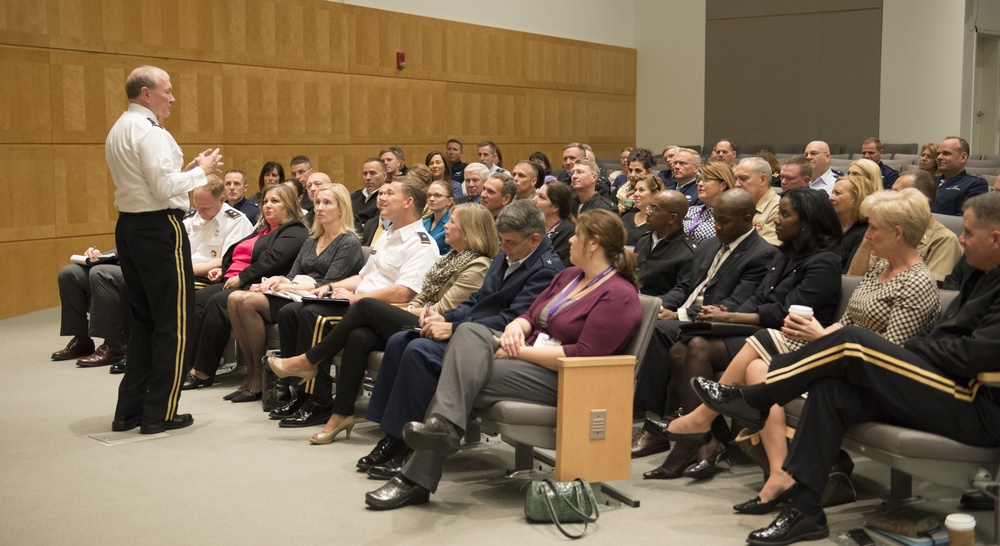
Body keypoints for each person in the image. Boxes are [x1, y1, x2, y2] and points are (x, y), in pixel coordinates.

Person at [691, 191, 1000, 546]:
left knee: (852, 340)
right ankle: (806, 511)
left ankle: (757, 396)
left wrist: (924, 348)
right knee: (831, 390)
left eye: (969, 233)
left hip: (978, 404)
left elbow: (977, 355)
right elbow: (949, 340)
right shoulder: (981, 273)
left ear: (995, 238)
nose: (960, 238)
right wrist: (929, 348)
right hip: (944, 384)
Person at [654, 188, 941, 516]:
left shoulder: (916, 283)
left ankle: (702, 417)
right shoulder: (879, 270)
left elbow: (893, 354)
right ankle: (778, 474)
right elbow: (846, 322)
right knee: (756, 370)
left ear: (898, 233)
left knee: (762, 340)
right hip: (839, 357)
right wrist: (825, 337)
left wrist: (821, 337)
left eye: (873, 228)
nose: (867, 235)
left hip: (872, 378)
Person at [364, 209, 642, 510]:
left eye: (577, 235)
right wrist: (515, 328)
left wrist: (518, 350)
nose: (570, 240)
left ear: (593, 243)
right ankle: (440, 430)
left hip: (567, 378)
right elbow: (530, 315)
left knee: (458, 376)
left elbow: (584, 354)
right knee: (469, 332)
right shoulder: (570, 276)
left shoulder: (618, 294)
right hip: (530, 360)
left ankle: (417, 474)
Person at [646, 188, 843, 481]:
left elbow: (788, 312)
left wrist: (731, 316)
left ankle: (698, 436)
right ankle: (706, 439)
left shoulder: (823, 262)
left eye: (785, 214)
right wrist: (730, 315)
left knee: (697, 345)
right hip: (763, 331)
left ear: (807, 222)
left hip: (793, 340)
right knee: (679, 348)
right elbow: (760, 298)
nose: (776, 220)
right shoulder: (783, 254)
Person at [357, 200, 563, 477]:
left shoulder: (547, 270)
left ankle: (407, 446)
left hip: (495, 340)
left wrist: (454, 329)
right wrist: (447, 318)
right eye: (501, 240)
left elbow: (510, 319)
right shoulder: (506, 256)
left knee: (420, 352)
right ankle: (392, 435)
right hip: (470, 328)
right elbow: (478, 301)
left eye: (510, 242)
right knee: (399, 342)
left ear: (534, 239)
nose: (502, 247)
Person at [267, 203, 499, 444]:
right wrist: (414, 308)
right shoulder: (451, 257)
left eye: (453, 222)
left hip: (437, 327)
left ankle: (310, 360)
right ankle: (340, 414)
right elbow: (423, 295)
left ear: (469, 230)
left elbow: (445, 309)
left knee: (365, 306)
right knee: (358, 336)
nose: (446, 226)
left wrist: (412, 308)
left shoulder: (477, 265)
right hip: (417, 315)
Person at [269, 176, 440, 428]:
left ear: (408, 202)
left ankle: (320, 401)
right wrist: (328, 287)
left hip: (377, 311)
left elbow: (404, 293)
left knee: (312, 314)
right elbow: (362, 276)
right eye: (380, 193)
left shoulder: (422, 244)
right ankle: (302, 394)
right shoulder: (388, 235)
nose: (380, 197)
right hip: (356, 301)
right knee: (291, 312)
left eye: (388, 193)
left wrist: (356, 298)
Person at [107, 65, 223, 434]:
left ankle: (131, 410)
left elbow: (152, 181)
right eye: (167, 91)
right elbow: (161, 189)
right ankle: (160, 411)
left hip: (129, 227)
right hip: (159, 230)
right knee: (175, 322)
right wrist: (201, 171)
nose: (172, 98)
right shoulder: (150, 130)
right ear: (146, 93)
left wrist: (184, 172)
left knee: (143, 321)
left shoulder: (119, 128)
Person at [630, 190, 778, 457]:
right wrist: (661, 306)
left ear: (747, 220)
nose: (718, 226)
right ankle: (699, 432)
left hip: (717, 324)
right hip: (688, 315)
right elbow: (686, 286)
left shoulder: (762, 254)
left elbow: (733, 304)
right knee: (653, 325)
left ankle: (651, 422)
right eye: (717, 219)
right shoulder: (711, 244)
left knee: (659, 332)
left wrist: (681, 316)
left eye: (725, 221)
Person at [224, 183, 364, 401]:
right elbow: (292, 274)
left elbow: (329, 283)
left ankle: (259, 379)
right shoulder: (312, 239)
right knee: (235, 298)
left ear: (342, 208)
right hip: (295, 293)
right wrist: (275, 280)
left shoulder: (348, 242)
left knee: (247, 301)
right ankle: (252, 373)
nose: (319, 208)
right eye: (317, 202)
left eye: (327, 203)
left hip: (317, 299)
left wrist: (288, 286)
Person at [181, 183, 309, 392]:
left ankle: (203, 371)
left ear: (290, 205)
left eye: (275, 201)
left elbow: (273, 260)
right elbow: (238, 254)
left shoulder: (294, 230)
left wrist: (240, 277)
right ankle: (189, 364)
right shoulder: (262, 229)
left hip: (257, 284)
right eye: (265, 201)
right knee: (194, 300)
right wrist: (225, 269)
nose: (267, 206)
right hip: (232, 279)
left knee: (217, 303)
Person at [52, 249, 126, 368]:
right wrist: (101, 256)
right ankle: (82, 340)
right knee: (69, 273)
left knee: (99, 273)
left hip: (145, 269)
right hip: (122, 262)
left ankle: (114, 345)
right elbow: (122, 246)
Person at [635, 190, 695, 297]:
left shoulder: (687, 253)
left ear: (672, 218)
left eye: (654, 208)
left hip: (655, 308)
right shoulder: (643, 240)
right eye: (649, 207)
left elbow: (681, 292)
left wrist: (652, 305)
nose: (647, 212)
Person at [829, 174, 877, 272]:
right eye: (832, 192)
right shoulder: (825, 226)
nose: (831, 197)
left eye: (837, 193)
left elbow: (850, 276)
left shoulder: (865, 233)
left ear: (856, 199)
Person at [932, 136, 989, 215]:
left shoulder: (975, 184)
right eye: (938, 153)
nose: (939, 157)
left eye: (946, 153)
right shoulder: (929, 181)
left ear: (963, 157)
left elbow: (964, 219)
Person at [683, 161, 734, 247]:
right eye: (699, 180)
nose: (700, 184)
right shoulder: (691, 210)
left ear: (723, 185)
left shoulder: (731, 216)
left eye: (706, 180)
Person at [734, 157, 780, 245]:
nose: (737, 184)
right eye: (735, 179)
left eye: (743, 178)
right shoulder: (738, 204)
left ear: (762, 180)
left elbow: (767, 251)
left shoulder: (778, 208)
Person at [533, 179, 575, 265]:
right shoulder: (532, 224)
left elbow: (556, 265)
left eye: (541, 197)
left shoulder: (569, 232)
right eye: (536, 195)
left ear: (555, 207)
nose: (534, 199)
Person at [622, 175, 664, 246]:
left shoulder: (660, 223)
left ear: (656, 194)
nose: (635, 194)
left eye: (641, 190)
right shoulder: (627, 216)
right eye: (635, 190)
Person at [615, 148, 656, 215]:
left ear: (648, 172)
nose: (632, 175)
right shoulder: (619, 191)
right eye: (630, 170)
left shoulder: (654, 195)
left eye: (638, 171)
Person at [423, 180, 454, 254]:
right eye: (429, 195)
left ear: (449, 201)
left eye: (437, 195)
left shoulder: (453, 225)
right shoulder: (422, 223)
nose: (431, 199)